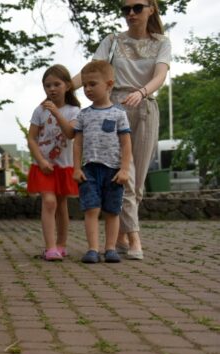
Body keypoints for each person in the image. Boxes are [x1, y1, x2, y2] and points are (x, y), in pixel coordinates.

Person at [71, 0, 170, 260]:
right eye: (125, 9)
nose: (131, 13)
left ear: (151, 9)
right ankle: (135, 239)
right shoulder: (112, 40)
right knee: (123, 173)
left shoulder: (162, 42)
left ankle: (123, 235)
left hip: (145, 107)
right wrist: (63, 89)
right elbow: (91, 72)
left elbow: (160, 76)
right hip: (114, 110)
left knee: (137, 181)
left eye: (137, 7)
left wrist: (142, 92)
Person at [73, 60, 132, 264]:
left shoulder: (119, 114)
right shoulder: (83, 115)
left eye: (92, 84)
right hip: (89, 169)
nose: (87, 89)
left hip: (114, 171)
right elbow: (78, 144)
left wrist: (125, 169)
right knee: (91, 208)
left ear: (108, 84)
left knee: (112, 210)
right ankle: (92, 249)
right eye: (85, 85)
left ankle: (110, 248)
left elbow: (126, 144)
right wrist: (76, 167)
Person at [26, 64, 81, 261]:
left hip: (64, 165)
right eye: (47, 85)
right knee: (49, 202)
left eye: (56, 84)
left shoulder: (74, 111)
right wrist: (40, 160)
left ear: (67, 85)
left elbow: (71, 133)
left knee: (62, 205)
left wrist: (57, 114)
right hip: (44, 166)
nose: (52, 89)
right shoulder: (39, 111)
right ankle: (50, 248)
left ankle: (61, 245)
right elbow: (31, 138)